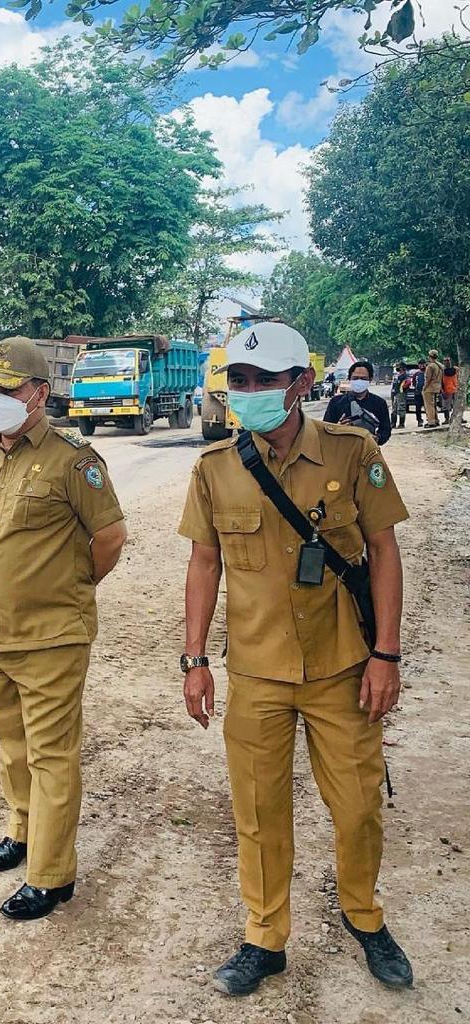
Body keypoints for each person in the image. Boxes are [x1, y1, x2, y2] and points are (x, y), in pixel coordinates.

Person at [178, 321, 413, 996]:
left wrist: (386, 655)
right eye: (239, 382)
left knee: (360, 804)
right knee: (257, 811)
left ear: (302, 384)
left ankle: (363, 916)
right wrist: (194, 659)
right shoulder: (215, 468)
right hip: (256, 673)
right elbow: (203, 563)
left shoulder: (350, 451)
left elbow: (384, 552)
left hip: (343, 667)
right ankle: (264, 937)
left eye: (264, 381)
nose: (248, 393)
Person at [0, 337, 127, 921]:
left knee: (52, 755)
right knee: (14, 747)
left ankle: (53, 876)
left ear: (39, 393)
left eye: (10, 390)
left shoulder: (71, 460)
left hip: (52, 636)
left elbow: (109, 539)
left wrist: (70, 589)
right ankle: (24, 832)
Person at [324, 360, 391, 445]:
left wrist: (376, 439)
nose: (359, 381)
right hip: (341, 449)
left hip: (368, 450)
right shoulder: (336, 402)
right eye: (355, 378)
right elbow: (325, 429)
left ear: (370, 379)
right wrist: (339, 428)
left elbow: (386, 430)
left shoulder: (379, 403)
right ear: (349, 379)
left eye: (363, 378)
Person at [422, 349, 443, 427]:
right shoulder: (439, 365)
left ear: (429, 356)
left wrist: (424, 388)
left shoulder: (430, 366)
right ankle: (436, 420)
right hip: (437, 387)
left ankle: (431, 422)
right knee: (433, 405)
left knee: (429, 405)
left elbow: (428, 379)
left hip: (429, 388)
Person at [390, 362, 408, 429]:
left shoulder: (405, 376)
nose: (398, 368)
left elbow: (407, 383)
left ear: (402, 368)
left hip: (401, 393)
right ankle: (393, 423)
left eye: (399, 367)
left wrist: (403, 387)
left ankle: (401, 424)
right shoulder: (397, 375)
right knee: (394, 408)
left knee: (401, 408)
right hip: (396, 393)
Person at [440, 356, 459, 423]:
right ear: (443, 362)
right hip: (446, 391)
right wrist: (442, 391)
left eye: (448, 360)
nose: (447, 362)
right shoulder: (442, 371)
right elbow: (440, 381)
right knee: (445, 407)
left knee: (457, 405)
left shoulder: (456, 369)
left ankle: (458, 418)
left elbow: (459, 378)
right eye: (445, 360)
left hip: (455, 390)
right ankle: (447, 419)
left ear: (451, 361)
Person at [411, 361, 426, 427]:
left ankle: (431, 420)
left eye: (423, 364)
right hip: (418, 393)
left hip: (426, 393)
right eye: (420, 364)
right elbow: (414, 382)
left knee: (428, 407)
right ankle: (419, 420)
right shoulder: (416, 374)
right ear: (418, 365)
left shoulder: (427, 372)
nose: (422, 365)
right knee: (418, 408)